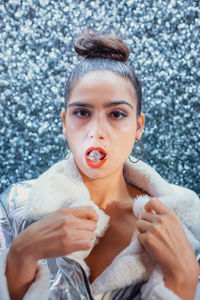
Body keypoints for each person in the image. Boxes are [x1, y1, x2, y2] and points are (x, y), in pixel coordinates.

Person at [0, 32, 199, 300]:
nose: (96, 131)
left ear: (139, 126)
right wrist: (20, 257)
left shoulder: (187, 223)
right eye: (82, 113)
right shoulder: (15, 208)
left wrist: (184, 279)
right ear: (64, 122)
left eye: (117, 114)